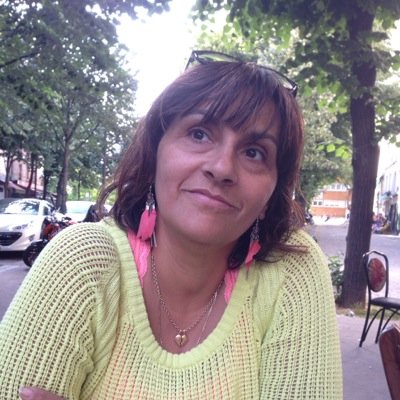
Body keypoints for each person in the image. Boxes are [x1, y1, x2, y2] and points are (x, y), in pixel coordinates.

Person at [0, 50, 342, 399]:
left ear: (272, 192)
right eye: (199, 134)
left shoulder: (291, 270)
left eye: (254, 152)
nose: (222, 168)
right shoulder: (81, 260)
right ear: (155, 153)